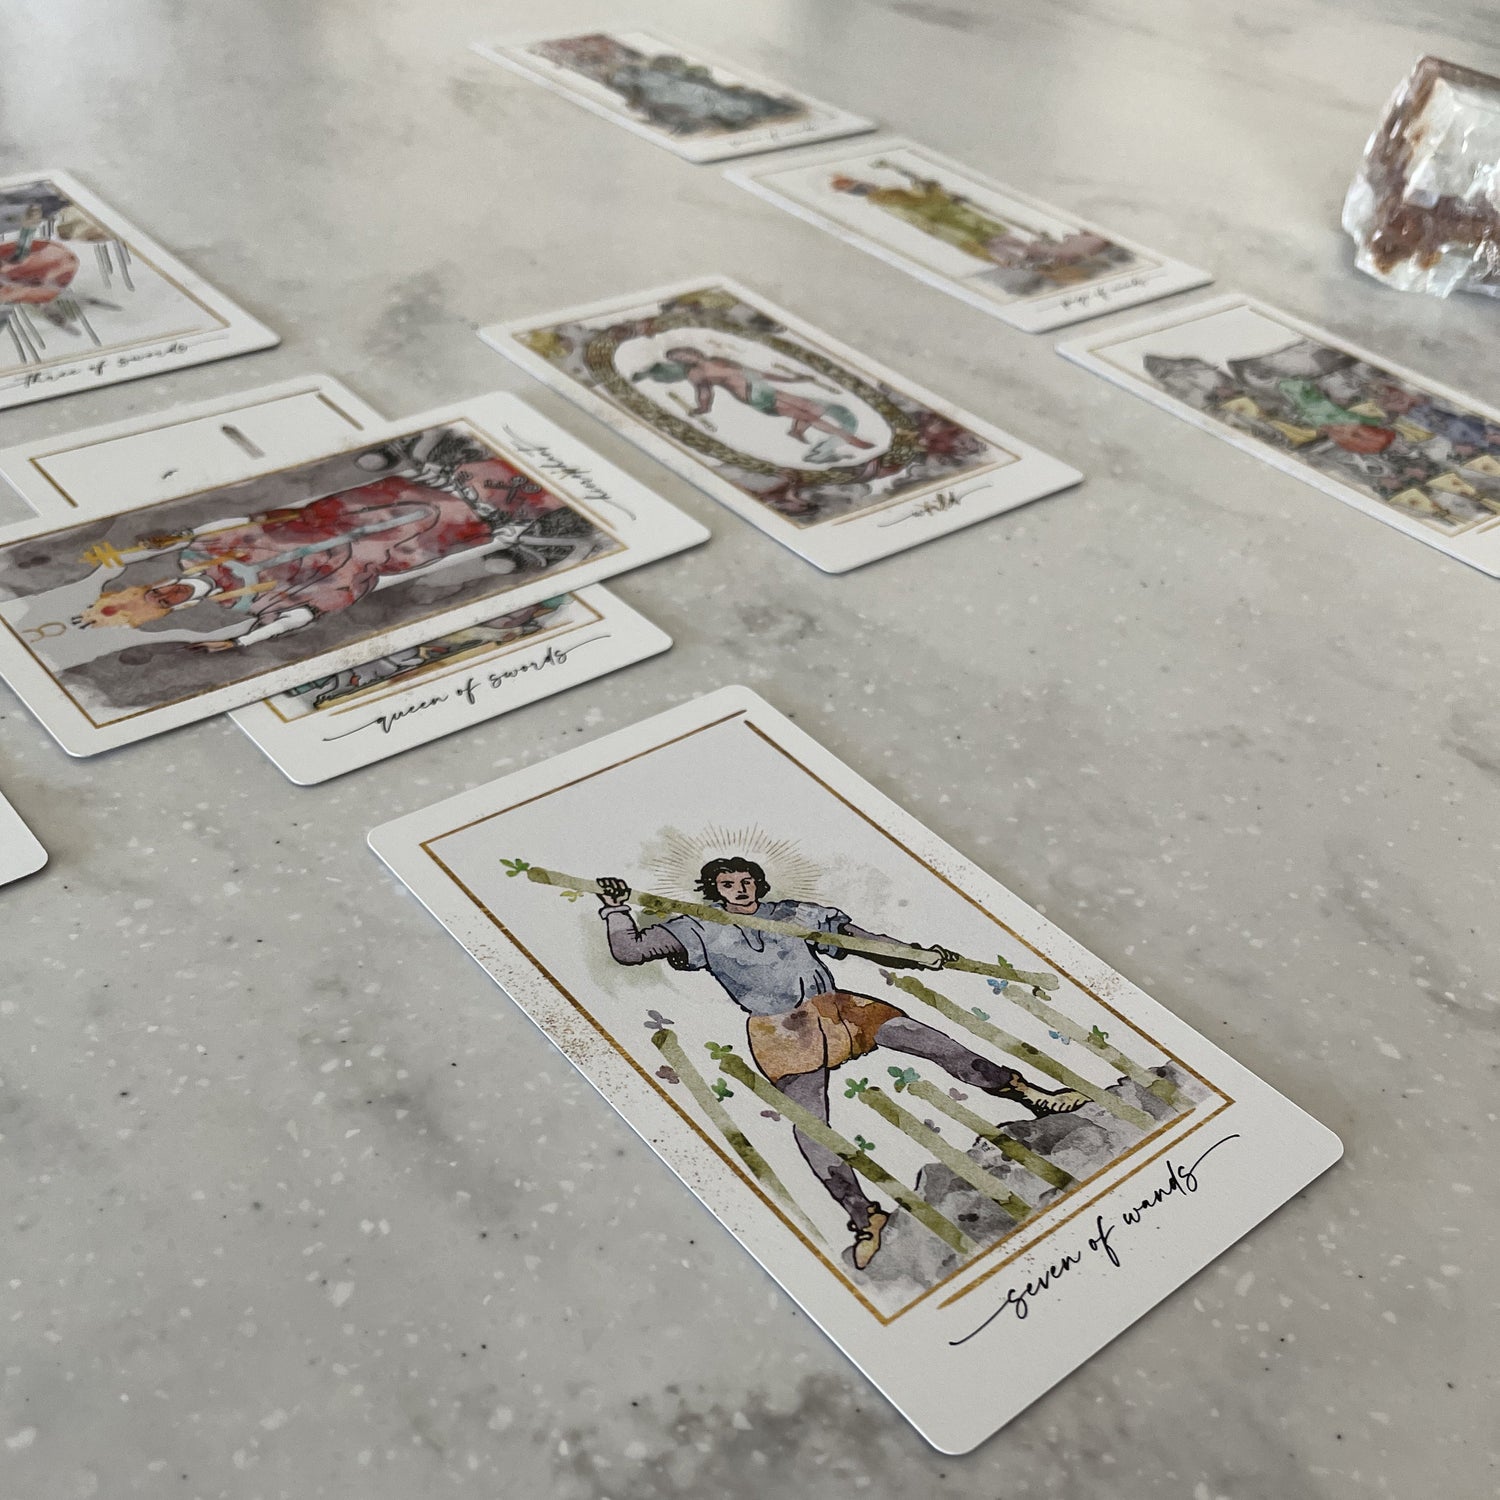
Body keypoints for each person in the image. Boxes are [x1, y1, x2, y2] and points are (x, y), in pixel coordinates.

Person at [595, 856, 1086, 1270]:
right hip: (782, 1030)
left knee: (931, 1041)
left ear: (758, 885)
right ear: (714, 890)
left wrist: (916, 956)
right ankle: (864, 1218)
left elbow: (860, 940)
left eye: (746, 882)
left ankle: (1030, 1096)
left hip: (837, 1008)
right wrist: (616, 910)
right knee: (811, 1126)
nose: (740, 890)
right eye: (728, 884)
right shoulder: (697, 926)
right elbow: (630, 951)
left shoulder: (791, 913)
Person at [73, 458, 577, 650]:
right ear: (172, 612)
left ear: (150, 584)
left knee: (413, 497)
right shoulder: (250, 602)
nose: (166, 595)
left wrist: (181, 536)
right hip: (396, 547)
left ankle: (477, 478)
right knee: (435, 530)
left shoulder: (205, 551)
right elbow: (301, 614)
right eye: (163, 605)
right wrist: (245, 641)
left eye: (153, 593)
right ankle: (520, 512)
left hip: (356, 510)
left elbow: (245, 522)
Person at [633, 345, 874, 453]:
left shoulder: (719, 359)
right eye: (678, 358)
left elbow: (755, 373)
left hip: (762, 387)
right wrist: (702, 408)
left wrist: (792, 379)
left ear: (692, 350)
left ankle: (796, 431)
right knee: (807, 413)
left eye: (683, 353)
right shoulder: (696, 373)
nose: (684, 357)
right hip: (752, 395)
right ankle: (850, 439)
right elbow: (704, 391)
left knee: (812, 407)